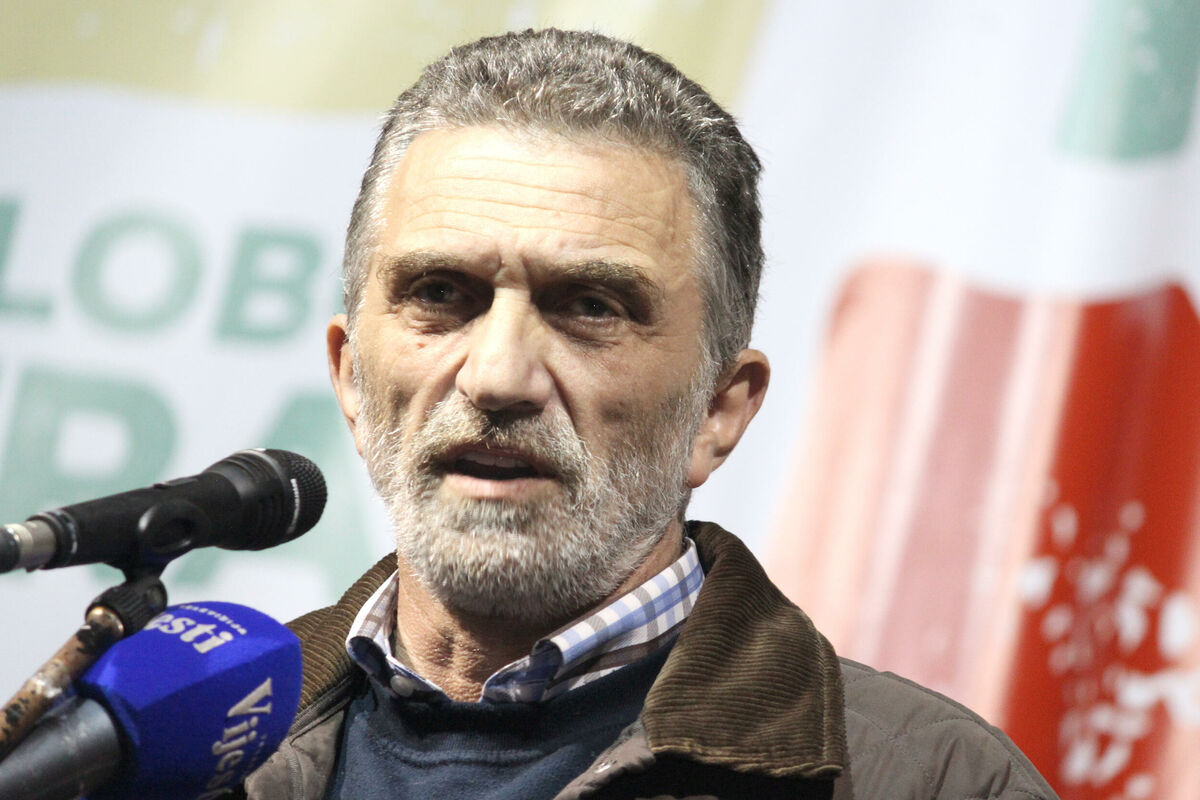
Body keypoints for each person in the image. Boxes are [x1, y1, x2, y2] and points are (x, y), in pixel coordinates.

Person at [243, 28, 1059, 800]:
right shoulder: (185, 749)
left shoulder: (938, 780)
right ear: (351, 378)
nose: (497, 377)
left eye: (590, 306)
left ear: (719, 410)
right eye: (440, 293)